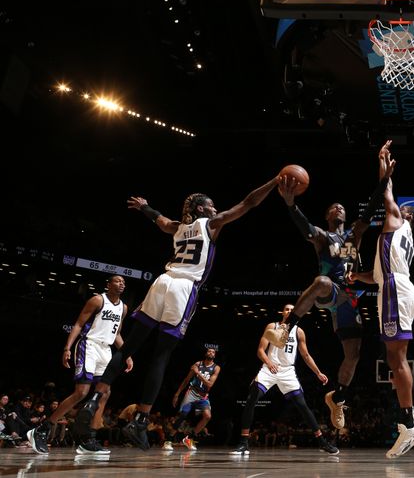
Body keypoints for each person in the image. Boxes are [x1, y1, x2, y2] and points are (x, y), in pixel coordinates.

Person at [75, 175, 281, 450]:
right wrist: (273, 182)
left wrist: (145, 207)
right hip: (183, 288)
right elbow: (248, 203)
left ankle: (92, 401)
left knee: (128, 348)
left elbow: (159, 219)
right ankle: (140, 419)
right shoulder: (211, 224)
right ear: (200, 210)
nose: (214, 207)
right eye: (209, 205)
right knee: (161, 355)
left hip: (162, 281)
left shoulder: (177, 228)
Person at [269, 149, 391, 431]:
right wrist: (290, 205)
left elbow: (372, 206)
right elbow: (304, 228)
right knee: (322, 281)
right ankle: (288, 326)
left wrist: (383, 179)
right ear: (327, 216)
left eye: (342, 207)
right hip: (329, 292)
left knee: (354, 353)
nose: (338, 208)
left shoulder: (354, 235)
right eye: (333, 208)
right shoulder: (323, 237)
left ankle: (338, 398)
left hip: (349, 299)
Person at [347, 140, 414, 458]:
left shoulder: (397, 221)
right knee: (394, 357)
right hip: (395, 287)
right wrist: (358, 278)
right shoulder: (398, 239)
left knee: (395, 360)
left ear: (404, 214)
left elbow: (385, 193)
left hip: (395, 293)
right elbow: (377, 275)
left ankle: (409, 423)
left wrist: (382, 163)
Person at [27, 275, 133, 455]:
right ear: (108, 284)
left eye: (123, 281)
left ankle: (88, 440)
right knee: (82, 392)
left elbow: (116, 334)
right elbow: (78, 324)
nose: (121, 283)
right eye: (117, 280)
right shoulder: (97, 300)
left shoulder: (123, 308)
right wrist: (67, 348)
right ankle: (42, 429)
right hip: (89, 345)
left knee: (105, 393)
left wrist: (127, 354)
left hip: (105, 350)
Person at [230, 304, 339, 456]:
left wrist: (318, 373)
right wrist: (269, 363)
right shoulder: (272, 326)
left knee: (302, 405)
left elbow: (306, 356)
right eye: (287, 309)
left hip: (288, 371)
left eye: (292, 310)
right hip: (269, 368)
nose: (289, 311)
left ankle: (322, 442)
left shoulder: (299, 332)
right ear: (282, 312)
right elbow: (260, 350)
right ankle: (243, 443)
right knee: (251, 398)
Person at [163, 347, 221, 451]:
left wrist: (197, 373)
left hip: (203, 396)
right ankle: (168, 440)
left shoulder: (216, 368)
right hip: (192, 392)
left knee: (207, 416)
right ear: (206, 353)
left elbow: (210, 384)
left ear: (215, 355)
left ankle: (189, 439)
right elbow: (186, 380)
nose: (211, 353)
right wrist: (177, 394)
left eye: (213, 352)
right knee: (182, 415)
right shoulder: (198, 364)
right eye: (209, 351)